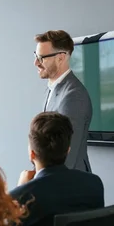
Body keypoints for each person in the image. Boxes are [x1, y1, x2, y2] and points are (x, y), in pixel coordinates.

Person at [35, 30, 93, 172]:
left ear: (61, 58)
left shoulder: (73, 95)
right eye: (36, 56)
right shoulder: (52, 88)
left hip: (70, 185)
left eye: (42, 58)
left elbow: (68, 156)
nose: (36, 62)